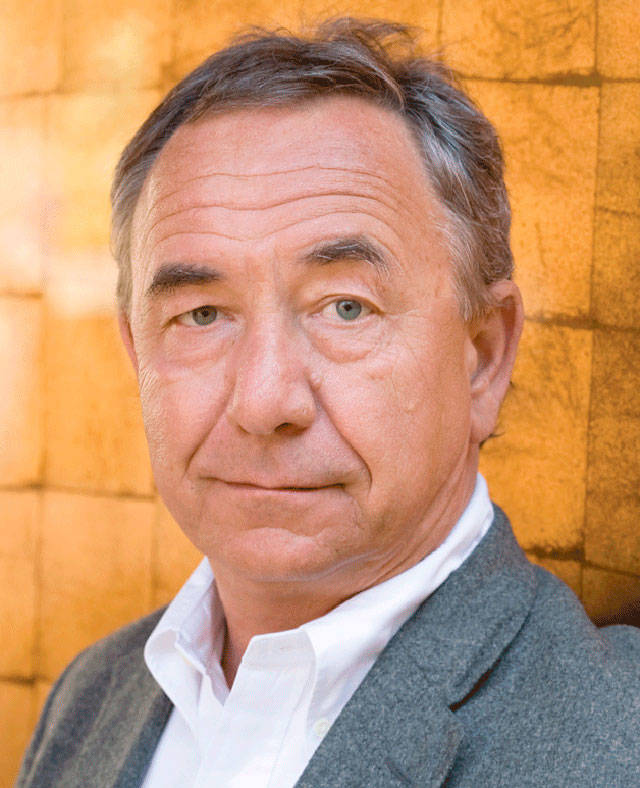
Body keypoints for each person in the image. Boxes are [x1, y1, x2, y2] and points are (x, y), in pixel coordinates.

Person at [17, 18, 640, 788]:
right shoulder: (91, 699)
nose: (264, 401)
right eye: (202, 315)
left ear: (483, 356)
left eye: (345, 308)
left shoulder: (617, 742)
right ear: (139, 354)